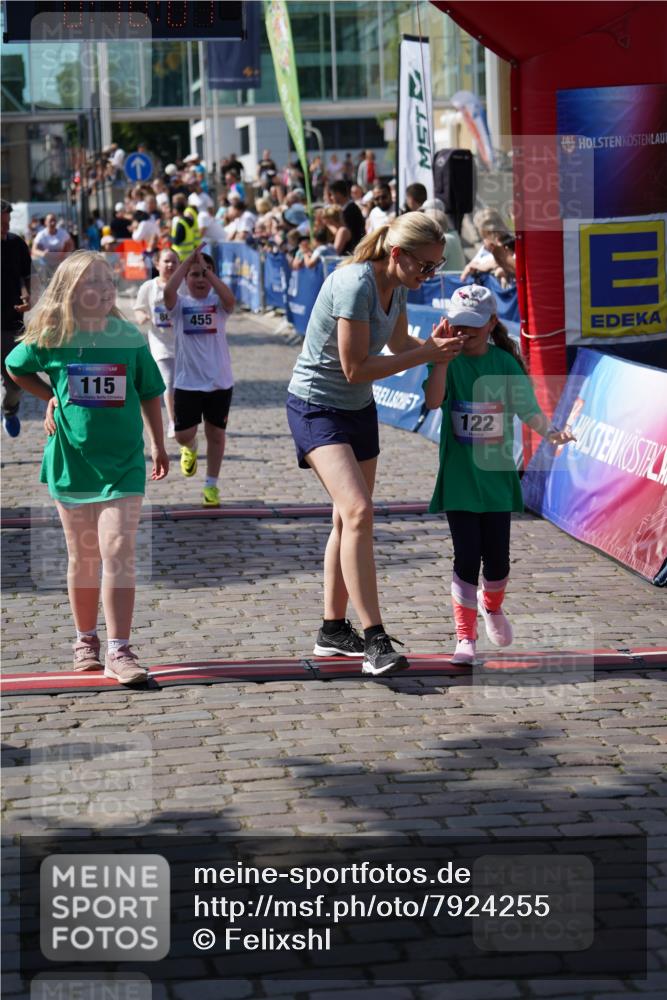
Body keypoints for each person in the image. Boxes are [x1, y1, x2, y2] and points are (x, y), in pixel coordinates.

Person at [286, 213, 461, 677]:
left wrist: (433, 344)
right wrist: (425, 354)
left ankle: (331, 630)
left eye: (437, 266)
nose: (430, 276)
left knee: (347, 518)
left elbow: (399, 341)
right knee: (360, 512)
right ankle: (374, 638)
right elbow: (355, 368)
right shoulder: (354, 284)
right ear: (397, 254)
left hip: (358, 410)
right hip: (315, 406)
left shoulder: (397, 284)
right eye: (425, 266)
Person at [5, 251, 169, 684]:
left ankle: (120, 648)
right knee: (84, 557)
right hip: (72, 462)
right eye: (93, 281)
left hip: (124, 465)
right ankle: (85, 640)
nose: (105, 287)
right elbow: (15, 367)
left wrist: (158, 442)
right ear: (72, 291)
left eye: (108, 280)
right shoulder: (53, 336)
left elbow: (150, 390)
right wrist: (50, 396)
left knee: (118, 551)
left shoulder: (128, 336)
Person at [422, 285, 575, 664]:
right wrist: (438, 358)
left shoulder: (505, 364)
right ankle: (464, 637)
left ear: (492, 322)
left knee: (499, 562)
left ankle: (492, 607)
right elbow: (432, 401)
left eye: (473, 325)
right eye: (457, 324)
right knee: (466, 557)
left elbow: (528, 410)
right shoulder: (446, 361)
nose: (464, 332)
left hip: (496, 480)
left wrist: (551, 432)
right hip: (459, 480)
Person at [163, 247, 236, 508]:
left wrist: (206, 270)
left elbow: (230, 298)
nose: (201, 279)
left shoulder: (218, 305)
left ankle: (211, 486)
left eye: (205, 274)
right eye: (194, 275)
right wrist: (186, 264)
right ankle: (191, 448)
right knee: (183, 435)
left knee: (216, 434)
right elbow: (168, 292)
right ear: (185, 278)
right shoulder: (180, 305)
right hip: (187, 382)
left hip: (219, 381)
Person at [134, 248, 179, 438]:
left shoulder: (183, 285)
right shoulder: (148, 287)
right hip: (160, 343)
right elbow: (138, 309)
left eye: (174, 262)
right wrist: (143, 316)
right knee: (168, 383)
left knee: (182, 384)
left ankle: (184, 416)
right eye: (166, 261)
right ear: (157, 264)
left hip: (183, 343)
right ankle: (173, 422)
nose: (170, 265)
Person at [1, 200, 31, 437]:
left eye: (7, 223)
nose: (5, 228)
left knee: (15, 384)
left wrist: (27, 296)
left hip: (11, 325)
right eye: (1, 224)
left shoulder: (17, 244)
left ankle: (10, 410)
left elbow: (25, 276)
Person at [329, 180, 365, 254]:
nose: (331, 198)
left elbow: (345, 232)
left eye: (332, 194)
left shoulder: (351, 209)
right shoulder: (344, 209)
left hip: (351, 252)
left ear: (339, 194)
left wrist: (328, 224)